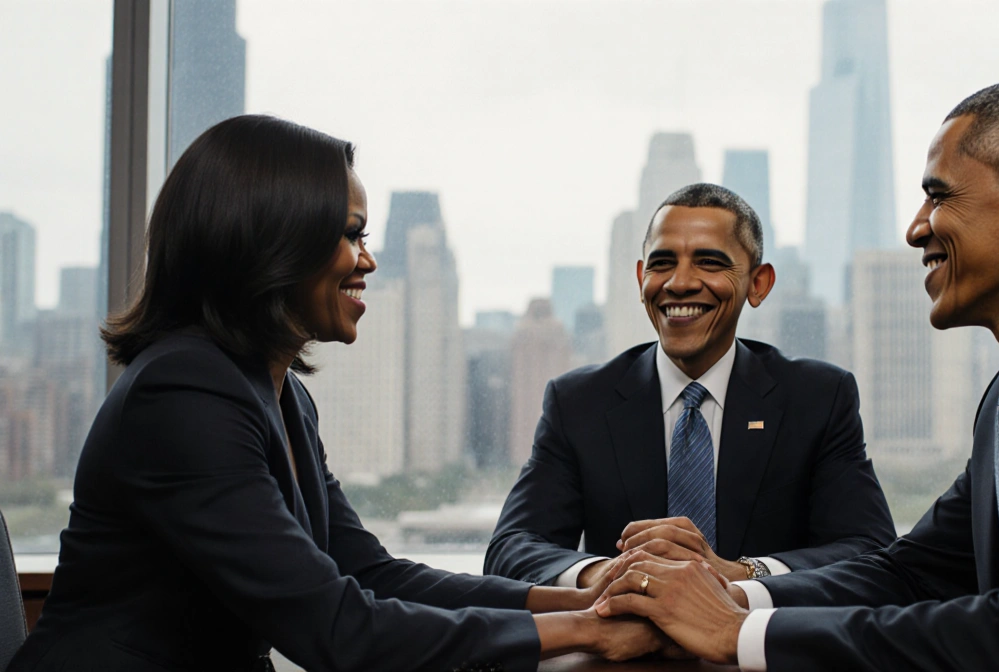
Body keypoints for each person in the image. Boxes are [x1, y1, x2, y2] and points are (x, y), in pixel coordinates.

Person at [9, 115, 667, 672]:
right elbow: (334, 627)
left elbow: (373, 575)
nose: (367, 260)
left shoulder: (281, 395)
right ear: (274, 241)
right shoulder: (183, 392)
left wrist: (585, 599)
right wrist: (585, 632)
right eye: (351, 234)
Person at [594, 71, 999, 670]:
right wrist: (729, 593)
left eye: (939, 196)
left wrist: (736, 634)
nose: (915, 228)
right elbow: (912, 570)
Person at [485, 183, 895, 591]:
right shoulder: (578, 403)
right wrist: (609, 573)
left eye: (709, 262)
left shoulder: (818, 398)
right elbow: (511, 550)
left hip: (766, 648)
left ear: (758, 284)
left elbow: (871, 549)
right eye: (662, 263)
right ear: (641, 277)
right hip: (622, 648)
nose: (679, 283)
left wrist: (744, 575)